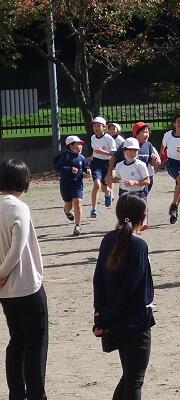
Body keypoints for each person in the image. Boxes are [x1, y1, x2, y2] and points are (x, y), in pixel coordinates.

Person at [93, 194, 155, 400]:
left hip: (114, 320)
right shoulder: (139, 246)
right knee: (135, 379)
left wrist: (101, 316)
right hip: (135, 321)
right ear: (141, 217)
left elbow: (98, 280)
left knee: (129, 376)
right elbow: (130, 288)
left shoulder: (107, 240)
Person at [0, 159, 48, 400]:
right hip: (26, 285)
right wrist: (2, 273)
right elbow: (16, 251)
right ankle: (36, 394)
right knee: (36, 344)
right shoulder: (18, 207)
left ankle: (16, 394)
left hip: (6, 291)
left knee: (16, 340)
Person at [107, 122, 160, 195]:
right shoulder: (127, 144)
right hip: (128, 180)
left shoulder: (148, 145)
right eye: (144, 132)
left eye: (148, 132)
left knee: (141, 199)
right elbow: (114, 157)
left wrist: (154, 159)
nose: (147, 134)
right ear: (136, 133)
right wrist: (109, 173)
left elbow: (152, 163)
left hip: (143, 180)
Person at [54, 135, 91, 236]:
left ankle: (78, 226)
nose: (81, 146)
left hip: (77, 184)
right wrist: (69, 169)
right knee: (68, 205)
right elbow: (58, 167)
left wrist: (87, 170)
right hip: (65, 184)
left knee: (78, 202)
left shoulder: (82, 157)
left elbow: (85, 166)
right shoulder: (65, 156)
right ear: (71, 145)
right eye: (78, 144)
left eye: (81, 144)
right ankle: (67, 212)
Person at [89, 116, 117, 217]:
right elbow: (94, 151)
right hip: (96, 163)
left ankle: (108, 192)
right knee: (96, 184)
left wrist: (102, 152)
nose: (96, 128)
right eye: (94, 126)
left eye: (98, 126)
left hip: (106, 163)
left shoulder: (108, 138)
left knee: (104, 188)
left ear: (104, 127)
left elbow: (113, 153)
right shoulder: (92, 138)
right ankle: (93, 209)